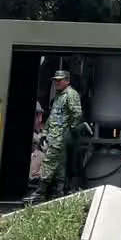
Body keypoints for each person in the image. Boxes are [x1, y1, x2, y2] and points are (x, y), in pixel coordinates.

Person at [27, 70, 84, 203]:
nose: (57, 82)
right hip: (54, 136)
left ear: (67, 81)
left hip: (60, 137)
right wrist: (45, 133)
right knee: (59, 167)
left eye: (60, 80)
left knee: (48, 163)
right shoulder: (59, 96)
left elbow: (77, 114)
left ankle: (40, 192)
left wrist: (70, 130)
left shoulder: (71, 94)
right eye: (55, 80)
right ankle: (58, 193)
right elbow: (53, 117)